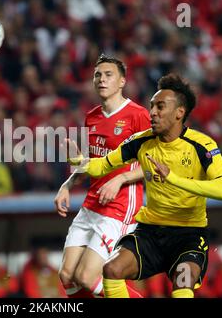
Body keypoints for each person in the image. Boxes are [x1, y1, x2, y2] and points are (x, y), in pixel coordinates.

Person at [67, 74, 222, 298]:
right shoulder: (141, 141)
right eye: (151, 106)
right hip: (150, 232)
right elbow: (103, 166)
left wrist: (174, 179)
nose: (153, 112)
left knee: (182, 283)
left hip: (188, 235)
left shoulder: (201, 145)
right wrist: (81, 162)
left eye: (160, 106)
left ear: (179, 113)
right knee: (111, 270)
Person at [54, 55, 150, 298]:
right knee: (67, 277)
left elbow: (155, 164)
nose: (101, 79)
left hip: (119, 207)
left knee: (86, 276)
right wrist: (67, 183)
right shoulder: (92, 117)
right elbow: (92, 164)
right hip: (92, 204)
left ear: (122, 82)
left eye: (108, 75)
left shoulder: (137, 115)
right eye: (98, 75)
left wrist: (120, 179)